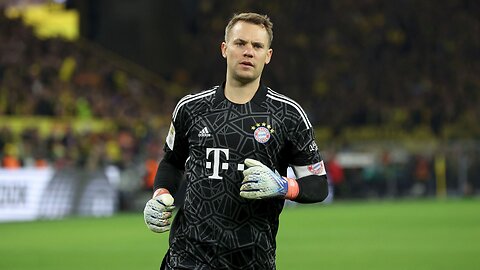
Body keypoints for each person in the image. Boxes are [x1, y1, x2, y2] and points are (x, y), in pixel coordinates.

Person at [144, 12, 329, 269]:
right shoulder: (190, 108)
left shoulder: (289, 115)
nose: (248, 52)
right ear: (224, 48)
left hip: (253, 260)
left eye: (257, 46)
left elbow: (318, 185)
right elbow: (172, 162)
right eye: (240, 43)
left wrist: (283, 186)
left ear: (268, 55)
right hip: (187, 259)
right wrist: (160, 195)